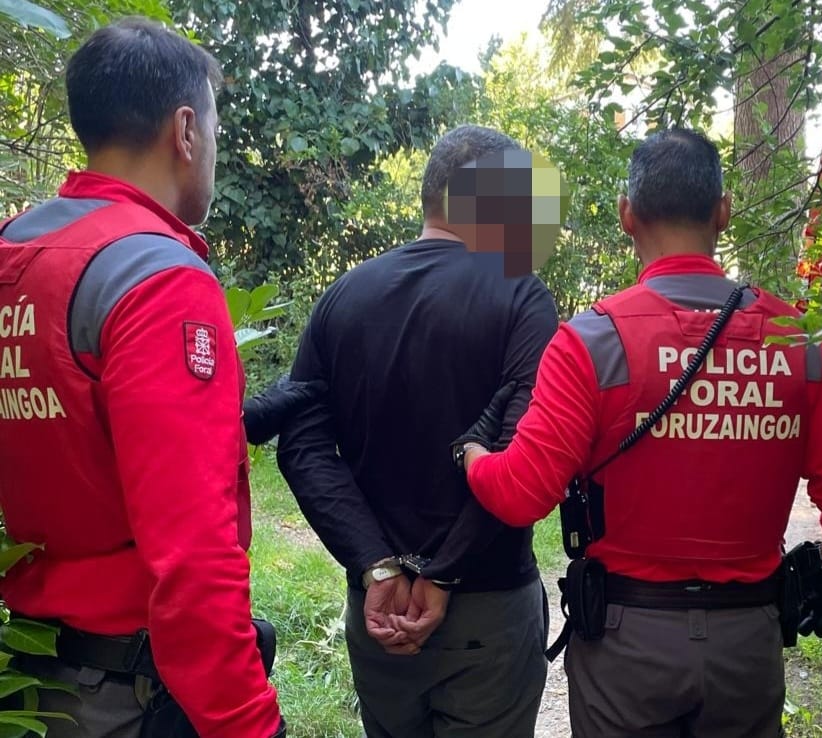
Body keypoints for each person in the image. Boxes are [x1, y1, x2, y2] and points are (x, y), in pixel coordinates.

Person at [456, 127, 822, 738]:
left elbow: (522, 492)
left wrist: (473, 456)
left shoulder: (591, 342)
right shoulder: (797, 342)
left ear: (628, 215)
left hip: (627, 648)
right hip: (748, 645)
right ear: (723, 211)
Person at [0, 18, 284, 738]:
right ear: (185, 131)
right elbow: (192, 561)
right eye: (215, 131)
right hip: (123, 697)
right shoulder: (156, 279)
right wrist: (252, 726)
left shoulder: (18, 254)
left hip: (29, 675)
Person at [277, 124, 557, 738]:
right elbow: (522, 453)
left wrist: (378, 565)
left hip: (378, 615)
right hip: (486, 612)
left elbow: (302, 446)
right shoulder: (522, 298)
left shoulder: (343, 296)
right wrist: (443, 572)